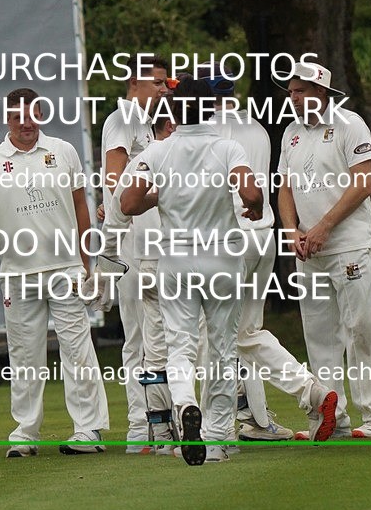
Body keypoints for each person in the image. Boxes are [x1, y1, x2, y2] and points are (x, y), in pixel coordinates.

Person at [0, 88, 109, 455]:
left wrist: (89, 266)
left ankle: (88, 429)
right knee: (24, 355)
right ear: (7, 119)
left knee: (77, 350)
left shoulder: (63, 151)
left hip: (66, 267)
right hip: (18, 274)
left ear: (40, 114)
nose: (26, 123)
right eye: (18, 116)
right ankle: (26, 432)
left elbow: (81, 208)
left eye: (32, 115)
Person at [121, 76, 263, 465]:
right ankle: (216, 440)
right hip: (222, 259)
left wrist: (160, 194)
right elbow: (250, 193)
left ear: (175, 111)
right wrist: (257, 206)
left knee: (179, 346)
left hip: (176, 260)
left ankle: (184, 404)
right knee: (220, 348)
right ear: (210, 108)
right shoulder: (227, 147)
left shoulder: (160, 150)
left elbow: (129, 203)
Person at [203, 62, 336, 444]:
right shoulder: (256, 127)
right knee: (247, 333)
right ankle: (301, 397)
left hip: (228, 241)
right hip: (262, 237)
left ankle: (213, 430)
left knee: (209, 337)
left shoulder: (210, 132)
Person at [276, 61, 371, 439]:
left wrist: (324, 226)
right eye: (291, 92)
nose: (294, 98)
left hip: (348, 245)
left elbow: (363, 183)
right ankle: (334, 416)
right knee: (319, 335)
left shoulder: (349, 124)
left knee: (361, 328)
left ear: (322, 92)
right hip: (309, 250)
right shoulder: (291, 133)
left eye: (301, 91)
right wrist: (292, 231)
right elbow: (285, 188)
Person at [97, 106, 178, 455]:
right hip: (135, 249)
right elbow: (117, 191)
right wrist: (114, 212)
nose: (162, 90)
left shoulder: (166, 144)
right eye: (156, 83)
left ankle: (172, 421)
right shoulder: (123, 124)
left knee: (172, 341)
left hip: (167, 252)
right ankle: (139, 425)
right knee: (138, 339)